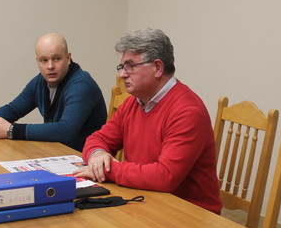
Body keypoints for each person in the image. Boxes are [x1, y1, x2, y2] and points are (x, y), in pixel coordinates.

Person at [74, 28, 222, 214]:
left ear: (158, 68)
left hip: (190, 213)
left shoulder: (187, 111)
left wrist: (108, 170)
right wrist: (97, 155)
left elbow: (165, 176)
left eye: (130, 66)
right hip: (145, 199)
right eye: (122, 67)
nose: (122, 74)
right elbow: (99, 138)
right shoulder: (133, 103)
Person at [0, 33, 107, 149]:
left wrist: (11, 130)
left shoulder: (82, 85)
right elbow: (13, 109)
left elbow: (65, 130)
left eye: (56, 59)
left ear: (68, 58)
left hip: (84, 159)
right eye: (44, 60)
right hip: (56, 153)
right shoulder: (41, 81)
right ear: (37, 61)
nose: (50, 66)